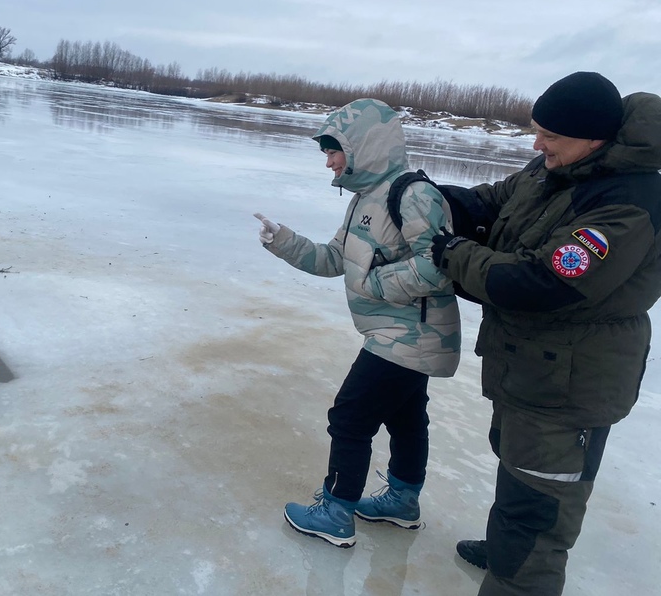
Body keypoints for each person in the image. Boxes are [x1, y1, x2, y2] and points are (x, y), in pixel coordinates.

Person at [430, 72, 661, 595]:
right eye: (538, 132)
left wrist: (451, 253)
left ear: (593, 137)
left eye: (550, 136)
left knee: (539, 510)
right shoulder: (556, 169)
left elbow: (541, 282)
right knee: (518, 471)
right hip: (533, 367)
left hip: (572, 385)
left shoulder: (626, 202)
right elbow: (494, 199)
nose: (538, 145)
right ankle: (507, 547)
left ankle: (520, 573)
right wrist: (431, 195)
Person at [255, 98, 461, 547]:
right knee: (407, 417)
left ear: (364, 146)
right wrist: (283, 241)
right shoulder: (367, 198)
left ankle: (336, 510)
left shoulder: (414, 196)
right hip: (397, 334)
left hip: (411, 335)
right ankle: (404, 501)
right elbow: (335, 260)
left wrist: (373, 282)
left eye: (333, 150)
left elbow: (440, 266)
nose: (328, 161)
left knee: (349, 418)